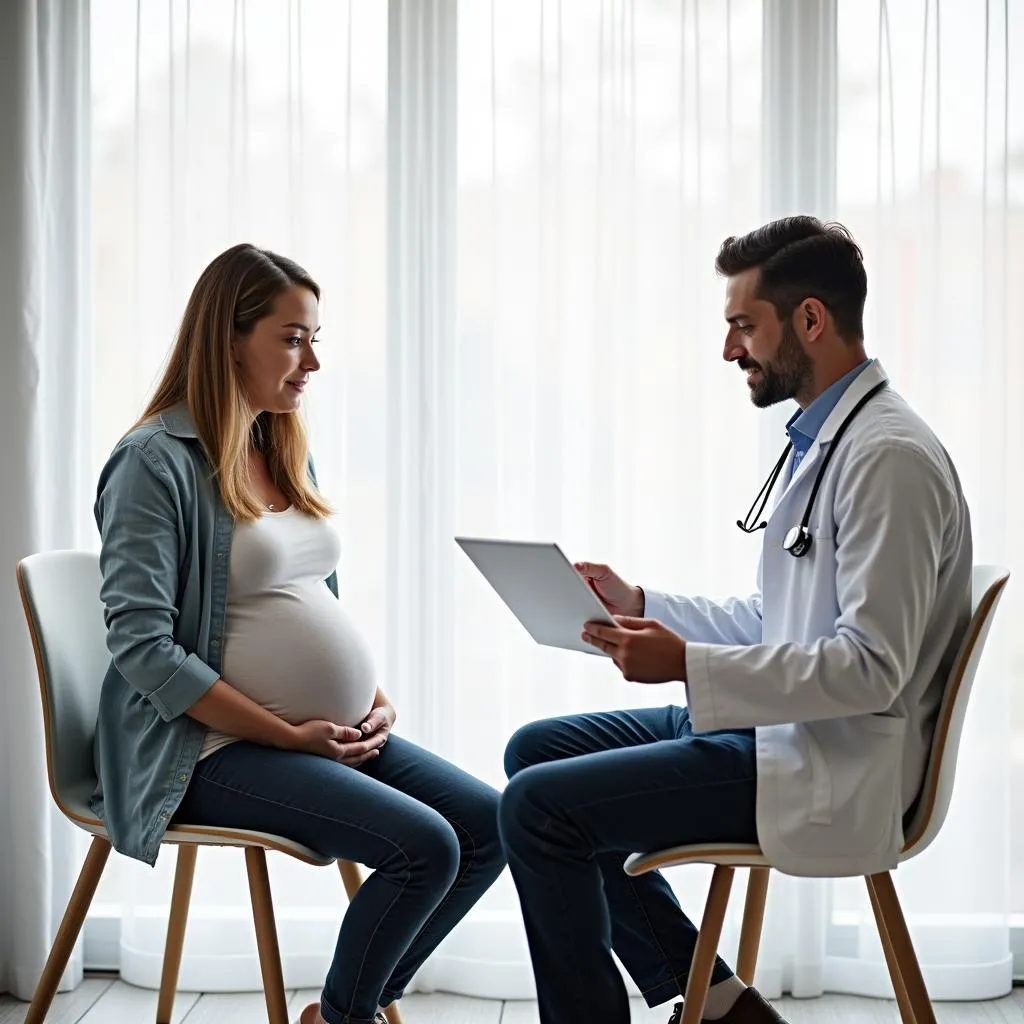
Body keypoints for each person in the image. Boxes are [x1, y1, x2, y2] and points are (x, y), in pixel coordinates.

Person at [498, 216, 972, 1024]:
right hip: (783, 731)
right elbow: (777, 617)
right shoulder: (830, 438)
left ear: (810, 321)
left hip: (833, 756)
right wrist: (642, 605)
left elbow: (870, 668)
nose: (729, 350)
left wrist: (686, 664)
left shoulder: (886, 457)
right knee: (533, 752)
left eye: (743, 325)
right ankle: (718, 1001)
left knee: (538, 811)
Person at [91, 243, 506, 1024]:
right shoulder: (153, 462)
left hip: (315, 734)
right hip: (204, 748)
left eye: (316, 337)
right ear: (228, 340)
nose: (312, 361)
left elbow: (310, 593)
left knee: (488, 825)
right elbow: (142, 647)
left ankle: (341, 1013)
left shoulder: (275, 445)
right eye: (292, 338)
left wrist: (371, 697)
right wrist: (284, 737)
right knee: (427, 849)